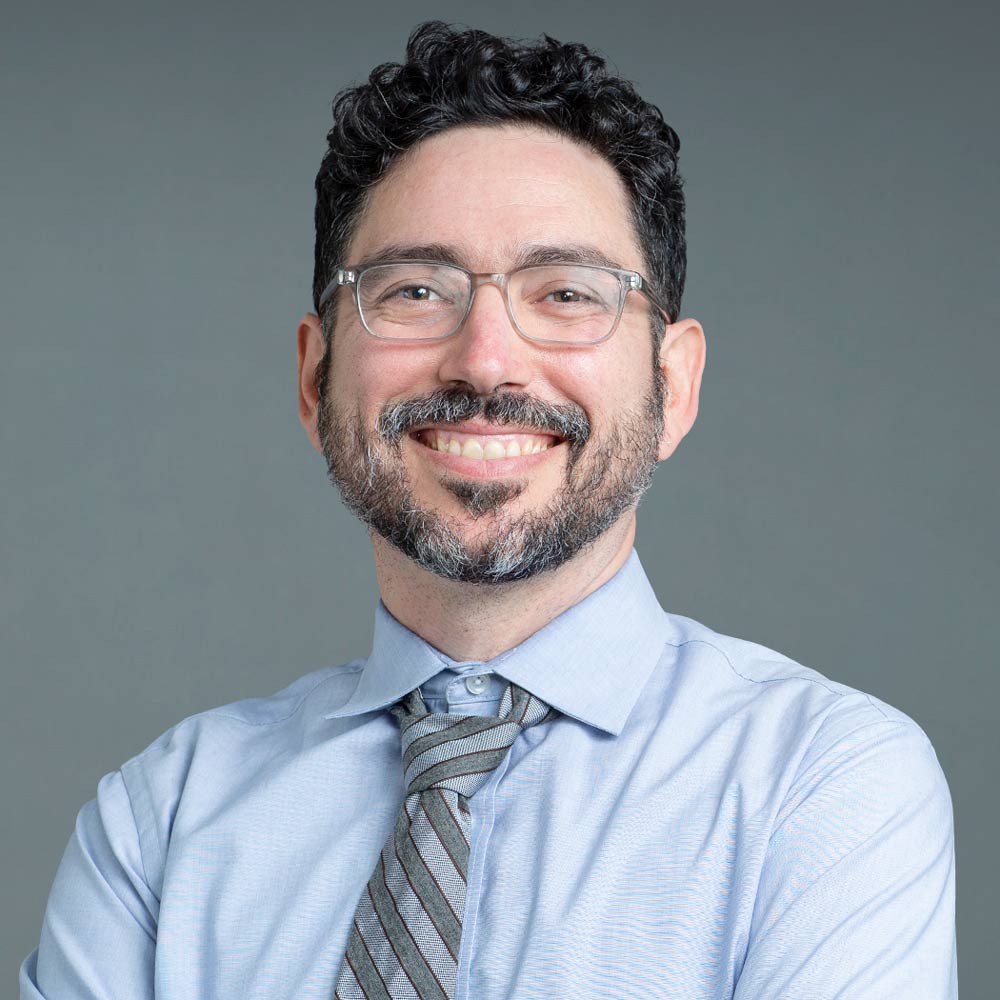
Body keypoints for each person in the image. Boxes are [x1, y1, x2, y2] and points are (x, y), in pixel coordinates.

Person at [21, 21, 957, 1000]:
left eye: (566, 293)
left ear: (674, 385)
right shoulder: (163, 822)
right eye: (416, 290)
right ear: (313, 378)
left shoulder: (823, 785)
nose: (484, 360)